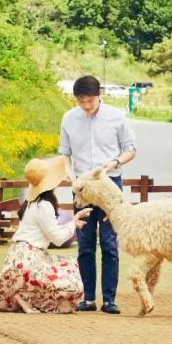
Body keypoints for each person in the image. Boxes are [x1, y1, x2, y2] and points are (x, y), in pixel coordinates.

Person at [0, 156, 91, 313]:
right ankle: (23, 295)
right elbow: (58, 238)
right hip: (31, 258)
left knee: (63, 269)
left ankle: (21, 294)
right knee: (73, 282)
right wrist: (73, 222)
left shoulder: (30, 203)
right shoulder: (44, 205)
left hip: (16, 255)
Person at [59, 75, 137, 314]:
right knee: (84, 242)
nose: (85, 106)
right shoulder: (69, 119)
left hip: (109, 183)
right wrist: (70, 175)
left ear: (98, 96)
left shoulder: (116, 117)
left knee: (109, 242)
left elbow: (131, 149)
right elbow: (64, 153)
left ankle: (110, 299)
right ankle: (88, 298)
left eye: (90, 101)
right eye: (81, 101)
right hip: (82, 186)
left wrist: (113, 163)